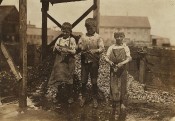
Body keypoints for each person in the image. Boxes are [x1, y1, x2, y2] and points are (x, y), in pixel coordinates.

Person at [47, 22, 76, 104]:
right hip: (60, 61)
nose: (65, 33)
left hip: (69, 61)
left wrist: (68, 50)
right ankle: (58, 95)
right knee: (59, 78)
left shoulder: (72, 40)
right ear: (61, 31)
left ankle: (70, 96)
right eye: (63, 31)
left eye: (67, 32)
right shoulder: (59, 39)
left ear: (70, 32)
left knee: (69, 79)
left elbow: (74, 51)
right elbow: (54, 49)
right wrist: (57, 48)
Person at [78, 18, 104, 108]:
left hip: (94, 62)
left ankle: (94, 98)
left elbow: (102, 48)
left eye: (91, 28)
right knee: (83, 81)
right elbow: (79, 45)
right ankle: (83, 97)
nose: (89, 30)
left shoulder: (98, 37)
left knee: (94, 81)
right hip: (84, 61)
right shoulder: (83, 36)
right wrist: (81, 47)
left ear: (95, 27)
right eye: (87, 28)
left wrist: (95, 50)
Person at [105, 32, 132, 112]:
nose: (119, 38)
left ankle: (122, 103)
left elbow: (129, 58)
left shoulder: (126, 47)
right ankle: (113, 101)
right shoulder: (111, 47)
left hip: (122, 68)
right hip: (113, 68)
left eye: (121, 36)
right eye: (117, 37)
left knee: (123, 85)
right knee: (113, 84)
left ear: (123, 37)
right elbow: (106, 57)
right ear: (115, 38)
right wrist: (110, 62)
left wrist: (122, 63)